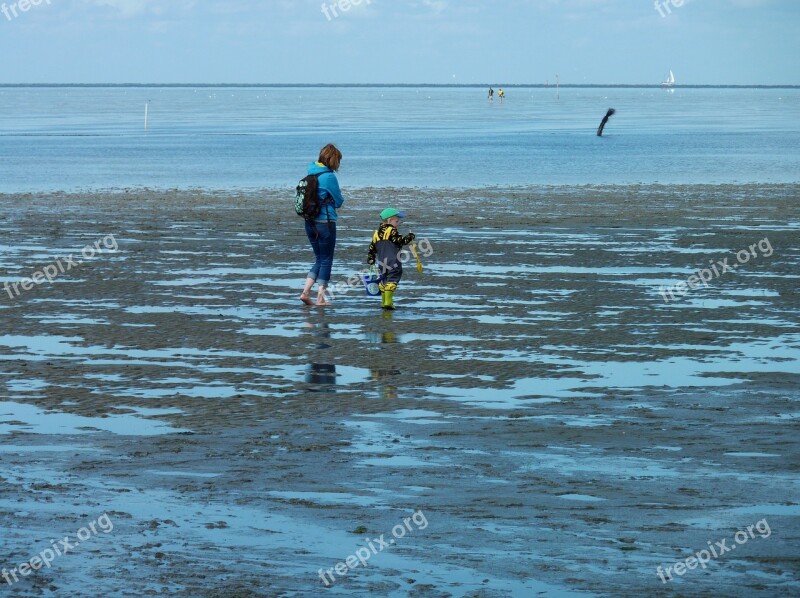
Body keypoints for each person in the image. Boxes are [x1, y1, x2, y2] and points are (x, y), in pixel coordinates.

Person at [299, 144, 344, 306]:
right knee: (326, 260)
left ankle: (305, 293)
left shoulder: (311, 172)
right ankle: (320, 298)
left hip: (309, 222)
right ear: (332, 159)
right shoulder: (329, 177)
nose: (338, 164)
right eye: (337, 160)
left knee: (319, 258)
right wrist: (331, 200)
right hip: (326, 223)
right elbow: (339, 201)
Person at [367, 208, 415, 310]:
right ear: (389, 221)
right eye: (397, 221)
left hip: (382, 262)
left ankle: (384, 302)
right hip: (393, 261)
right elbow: (401, 241)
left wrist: (371, 260)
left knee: (384, 280)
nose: (398, 223)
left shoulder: (376, 234)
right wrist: (410, 237)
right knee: (393, 278)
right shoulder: (392, 231)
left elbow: (372, 249)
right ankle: (388, 302)